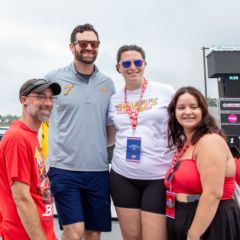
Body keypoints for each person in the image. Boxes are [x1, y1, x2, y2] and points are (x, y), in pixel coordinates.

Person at [45, 23, 115, 240]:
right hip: (63, 169)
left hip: (98, 170)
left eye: (93, 43)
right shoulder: (53, 78)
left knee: (93, 233)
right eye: (83, 43)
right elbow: (39, 111)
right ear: (72, 47)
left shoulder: (107, 83)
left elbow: (110, 125)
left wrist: (93, 146)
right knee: (74, 232)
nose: (88, 47)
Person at [107, 44, 175, 240]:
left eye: (137, 62)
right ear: (118, 67)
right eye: (126, 63)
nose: (132, 67)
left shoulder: (165, 91)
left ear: (145, 64)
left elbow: (183, 125)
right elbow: (110, 137)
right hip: (123, 176)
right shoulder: (114, 99)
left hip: (158, 176)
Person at [164, 86, 240, 240]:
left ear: (203, 111)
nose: (187, 112)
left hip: (210, 221)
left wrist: (194, 234)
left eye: (194, 107)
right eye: (181, 108)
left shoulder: (209, 141)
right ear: (174, 113)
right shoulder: (186, 144)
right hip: (184, 216)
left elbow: (213, 193)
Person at [0, 78, 61, 239]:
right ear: (24, 100)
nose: (47, 103)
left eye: (50, 98)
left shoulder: (31, 136)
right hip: (22, 235)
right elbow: (21, 198)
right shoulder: (18, 138)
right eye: (41, 97)